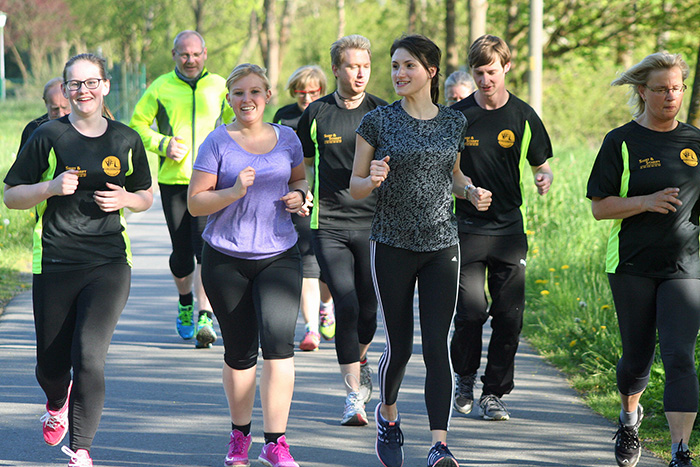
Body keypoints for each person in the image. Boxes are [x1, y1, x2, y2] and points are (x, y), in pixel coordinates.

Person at [3, 53, 153, 467]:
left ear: (105, 86)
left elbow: (145, 195)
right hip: (55, 260)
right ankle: (56, 401)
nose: (83, 90)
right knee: (51, 366)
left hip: (108, 262)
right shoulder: (48, 136)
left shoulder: (126, 139)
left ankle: (82, 447)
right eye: (75, 84)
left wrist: (126, 199)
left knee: (88, 355)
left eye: (91, 83)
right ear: (66, 90)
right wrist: (50, 186)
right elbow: (11, 194)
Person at [350, 34, 492, 467]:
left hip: (440, 244)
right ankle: (388, 414)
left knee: (436, 346)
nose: (398, 73)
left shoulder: (453, 123)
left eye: (408, 65)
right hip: (391, 243)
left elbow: (452, 175)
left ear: (431, 71)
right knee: (400, 345)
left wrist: (468, 191)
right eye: (394, 66)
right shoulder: (377, 122)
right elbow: (355, 188)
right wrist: (371, 178)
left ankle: (439, 445)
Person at [188, 63, 307, 467]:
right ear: (228, 99)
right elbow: (195, 202)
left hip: (279, 255)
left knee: (278, 346)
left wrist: (299, 197)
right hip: (226, 259)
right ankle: (240, 436)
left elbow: (299, 181)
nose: (247, 100)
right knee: (240, 352)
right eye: (239, 93)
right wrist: (234, 190)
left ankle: (276, 443)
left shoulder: (287, 138)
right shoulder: (217, 142)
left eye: (255, 92)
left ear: (268, 96)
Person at [587, 52, 699, 467]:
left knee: (679, 355)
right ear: (641, 91)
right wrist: (646, 202)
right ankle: (629, 420)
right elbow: (600, 208)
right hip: (632, 264)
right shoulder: (621, 141)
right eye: (661, 89)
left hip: (686, 267)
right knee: (637, 357)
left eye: (676, 88)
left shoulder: (695, 141)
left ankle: (680, 451)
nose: (671, 96)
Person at [449, 34, 553, 421]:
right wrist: (469, 191)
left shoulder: (523, 116)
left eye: (491, 72)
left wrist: (545, 177)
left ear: (506, 67)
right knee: (471, 312)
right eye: (478, 73)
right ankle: (464, 376)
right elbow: (451, 175)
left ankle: (494, 393)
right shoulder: (459, 116)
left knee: (509, 315)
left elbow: (541, 163)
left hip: (509, 231)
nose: (485, 80)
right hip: (467, 229)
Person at [297, 34, 387, 426]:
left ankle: (361, 356)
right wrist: (299, 191)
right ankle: (354, 396)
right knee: (347, 305)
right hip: (329, 223)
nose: (360, 72)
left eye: (365, 65)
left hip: (375, 224)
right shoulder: (316, 114)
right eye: (352, 65)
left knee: (368, 309)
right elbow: (300, 167)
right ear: (336, 69)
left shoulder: (384, 113)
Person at [130, 29, 233, 348]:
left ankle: (205, 315)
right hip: (173, 181)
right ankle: (185, 301)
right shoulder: (160, 87)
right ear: (174, 55)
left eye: (196, 54)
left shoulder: (219, 86)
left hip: (209, 181)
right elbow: (137, 125)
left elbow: (236, 123)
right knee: (181, 252)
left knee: (206, 249)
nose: (190, 60)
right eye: (184, 54)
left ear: (205, 54)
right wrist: (162, 144)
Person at [273, 65, 336, 351]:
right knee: (308, 265)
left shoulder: (329, 113)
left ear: (322, 90)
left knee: (328, 267)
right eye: (301, 92)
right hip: (298, 198)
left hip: (332, 199)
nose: (307, 97)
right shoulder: (283, 116)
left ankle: (326, 305)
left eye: (313, 92)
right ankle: (311, 327)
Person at [18, 77, 71, 152]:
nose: (60, 114)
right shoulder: (33, 129)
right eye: (55, 109)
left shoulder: (83, 128)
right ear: (46, 102)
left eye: (65, 108)